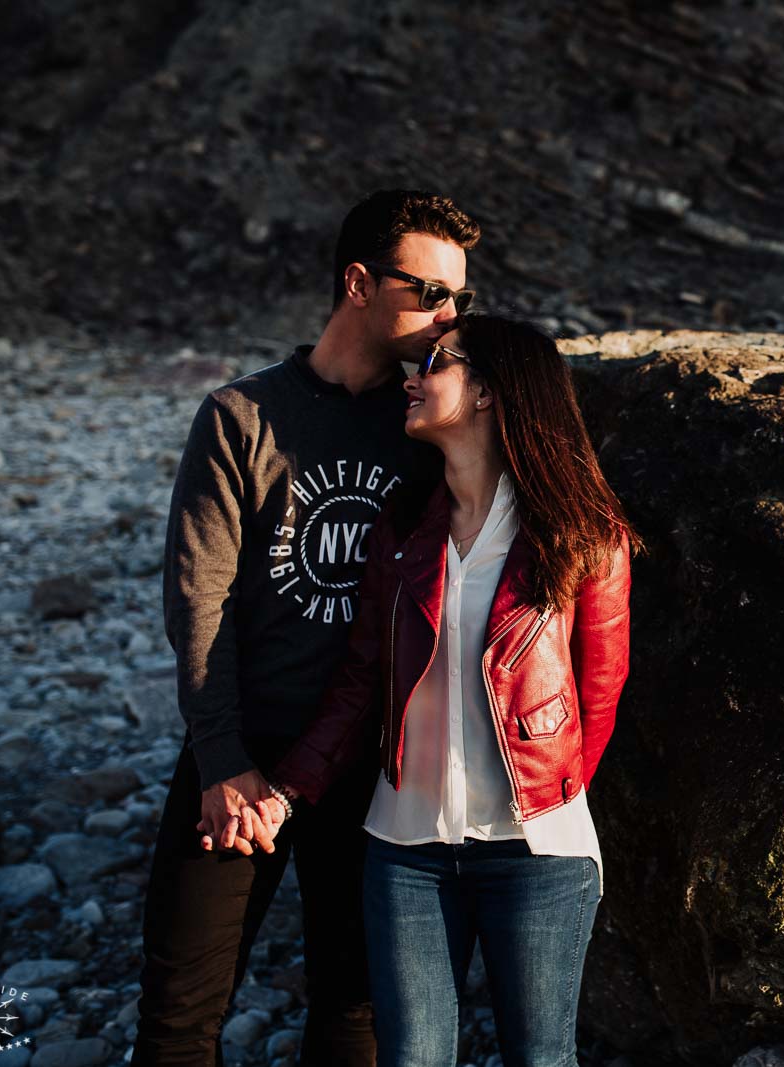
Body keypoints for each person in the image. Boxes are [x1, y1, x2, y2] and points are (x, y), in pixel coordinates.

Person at [134, 188, 481, 1067]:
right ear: (358, 283)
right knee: (178, 1019)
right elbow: (197, 602)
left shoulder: (425, 421)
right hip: (241, 757)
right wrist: (222, 761)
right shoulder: (241, 417)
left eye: (460, 299)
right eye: (429, 291)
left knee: (354, 1014)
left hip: (371, 772)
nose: (447, 315)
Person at [244, 315, 634, 1067]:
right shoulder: (402, 529)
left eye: (434, 362)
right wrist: (288, 789)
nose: (411, 377)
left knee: (541, 1058)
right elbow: (361, 682)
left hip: (537, 853)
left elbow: (601, 687)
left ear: (489, 392)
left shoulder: (585, 534)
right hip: (405, 850)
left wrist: (547, 796)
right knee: (413, 1057)